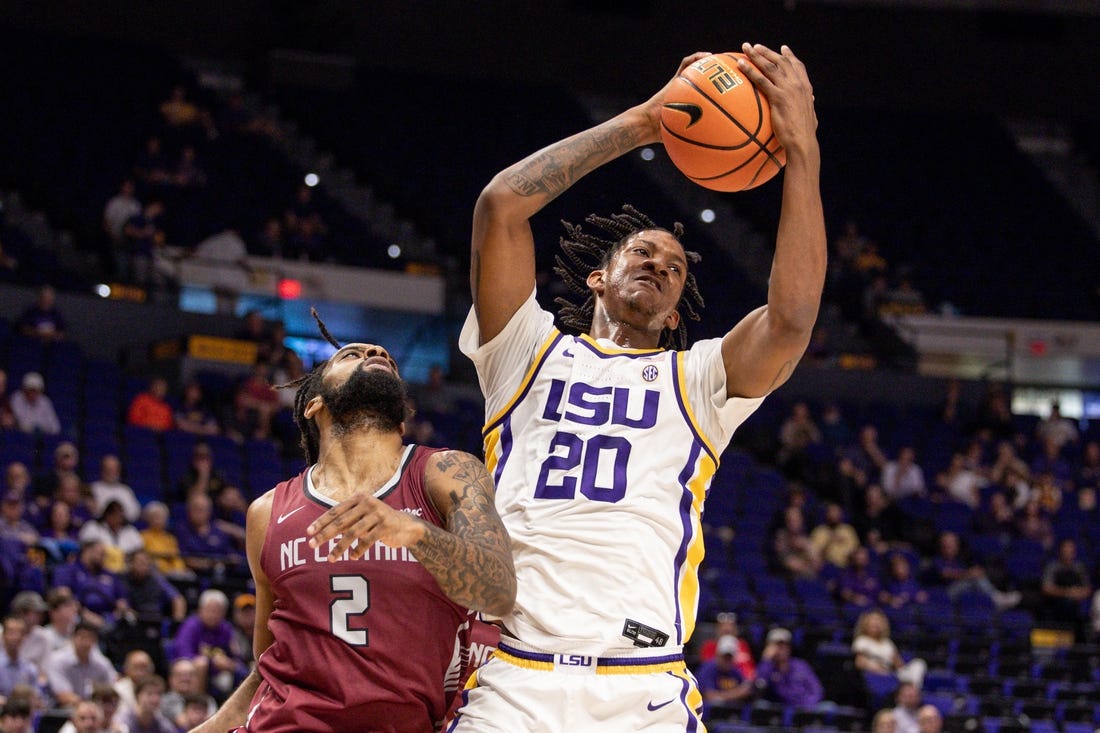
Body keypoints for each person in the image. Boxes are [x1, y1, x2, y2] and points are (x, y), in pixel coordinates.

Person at [447, 43, 823, 731]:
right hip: (513, 675)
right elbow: (501, 206)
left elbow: (793, 318)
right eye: (642, 252)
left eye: (675, 267)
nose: (658, 263)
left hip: (641, 686)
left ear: (677, 309)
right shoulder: (523, 352)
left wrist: (803, 153)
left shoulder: (700, 379)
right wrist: (645, 123)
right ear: (597, 277)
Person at [190, 320, 516, 733]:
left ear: (402, 419)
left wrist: (414, 533)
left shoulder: (443, 472)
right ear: (315, 404)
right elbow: (267, 669)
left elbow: (499, 591)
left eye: (386, 358)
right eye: (352, 355)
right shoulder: (268, 512)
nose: (376, 353)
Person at [42, 622, 117, 707]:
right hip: (61, 710)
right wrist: (86, 707)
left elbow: (112, 687)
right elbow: (62, 695)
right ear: (73, 638)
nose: (85, 642)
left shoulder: (101, 663)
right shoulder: (57, 660)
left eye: (90, 638)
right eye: (82, 637)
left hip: (94, 710)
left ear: (95, 641)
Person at [851, 608, 926, 689]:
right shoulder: (862, 640)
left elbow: (898, 664)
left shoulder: (887, 642)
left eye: (878, 621)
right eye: (872, 621)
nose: (875, 624)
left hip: (891, 674)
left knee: (919, 663)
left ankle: (912, 689)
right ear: (865, 624)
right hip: (875, 676)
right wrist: (880, 670)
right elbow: (860, 662)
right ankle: (910, 689)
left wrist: (901, 672)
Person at [753, 627, 824, 708]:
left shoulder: (801, 665)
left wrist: (808, 705)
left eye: (783, 646)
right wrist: (766, 659)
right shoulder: (767, 667)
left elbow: (816, 689)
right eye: (776, 646)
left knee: (829, 707)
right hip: (778, 707)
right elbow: (758, 684)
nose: (780, 650)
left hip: (804, 705)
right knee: (760, 705)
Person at [695, 635, 755, 721]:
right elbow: (711, 696)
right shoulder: (707, 669)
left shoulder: (735, 671)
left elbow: (747, 690)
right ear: (717, 655)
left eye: (730, 657)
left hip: (729, 714)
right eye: (724, 657)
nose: (727, 661)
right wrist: (738, 693)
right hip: (709, 716)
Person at [697, 611, 756, 678]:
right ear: (717, 630)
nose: (727, 628)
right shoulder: (709, 645)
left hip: (739, 681)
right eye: (724, 630)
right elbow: (705, 671)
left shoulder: (742, 645)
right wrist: (735, 660)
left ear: (736, 630)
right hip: (715, 682)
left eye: (730, 628)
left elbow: (750, 671)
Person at [88, 456, 141, 524]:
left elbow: (134, 513)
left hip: (123, 527)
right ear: (102, 470)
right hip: (100, 527)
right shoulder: (93, 489)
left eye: (114, 470)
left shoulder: (125, 490)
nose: (111, 473)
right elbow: (95, 512)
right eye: (108, 469)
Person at [0, 618, 38, 706]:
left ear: (24, 637)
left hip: (23, 714)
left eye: (20, 633)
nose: (15, 637)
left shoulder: (30, 668)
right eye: (11, 632)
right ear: (3, 635)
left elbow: (36, 697)